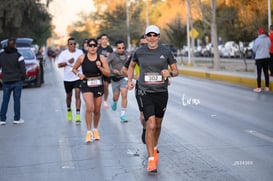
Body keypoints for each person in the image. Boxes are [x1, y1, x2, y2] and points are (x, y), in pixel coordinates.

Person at [127, 25, 178, 173]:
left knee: (158, 124)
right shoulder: (139, 52)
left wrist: (168, 73)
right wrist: (130, 81)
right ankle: (151, 159)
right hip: (145, 91)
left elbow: (176, 71)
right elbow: (131, 66)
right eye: (149, 35)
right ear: (145, 37)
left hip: (161, 92)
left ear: (158, 37)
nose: (152, 38)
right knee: (150, 124)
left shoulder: (166, 51)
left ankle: (154, 148)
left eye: (154, 35)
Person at [72, 38, 110, 143]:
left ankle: (95, 129)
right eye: (90, 45)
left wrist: (100, 67)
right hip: (86, 84)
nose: (92, 47)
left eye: (94, 45)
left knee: (97, 110)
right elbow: (74, 69)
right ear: (87, 47)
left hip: (98, 84)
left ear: (97, 47)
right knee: (90, 107)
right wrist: (79, 74)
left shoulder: (101, 58)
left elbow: (108, 73)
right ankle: (88, 132)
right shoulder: (82, 58)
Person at [122, 35, 147, 141]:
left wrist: (166, 78)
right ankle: (145, 130)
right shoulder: (136, 54)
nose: (145, 46)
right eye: (142, 44)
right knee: (143, 114)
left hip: (156, 87)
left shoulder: (158, 53)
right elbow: (124, 70)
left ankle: (152, 141)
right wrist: (133, 78)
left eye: (146, 44)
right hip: (141, 87)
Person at [0, 38, 26, 125]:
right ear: (15, 45)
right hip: (17, 81)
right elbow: (23, 69)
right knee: (17, 100)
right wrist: (22, 78)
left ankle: (2, 119)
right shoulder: (18, 56)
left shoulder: (2, 55)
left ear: (7, 45)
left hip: (6, 81)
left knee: (5, 100)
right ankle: (17, 118)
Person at [57, 37, 83, 123]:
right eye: (71, 44)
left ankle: (78, 114)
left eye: (74, 44)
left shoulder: (80, 52)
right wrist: (68, 62)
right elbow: (59, 65)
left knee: (77, 94)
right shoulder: (64, 54)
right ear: (68, 45)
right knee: (69, 96)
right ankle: (69, 110)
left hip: (77, 77)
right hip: (67, 79)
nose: (73, 45)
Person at [107, 40, 130, 122]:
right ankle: (114, 101)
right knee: (116, 96)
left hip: (124, 77)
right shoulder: (112, 55)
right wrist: (113, 71)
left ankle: (122, 115)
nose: (121, 50)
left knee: (124, 94)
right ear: (116, 48)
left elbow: (132, 63)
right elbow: (106, 65)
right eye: (119, 48)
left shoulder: (127, 54)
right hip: (115, 78)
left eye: (123, 48)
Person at [97, 34, 113, 109]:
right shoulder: (97, 49)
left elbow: (113, 59)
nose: (104, 40)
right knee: (100, 86)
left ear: (107, 40)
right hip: (99, 69)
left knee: (106, 85)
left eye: (105, 39)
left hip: (107, 70)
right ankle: (98, 98)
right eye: (103, 39)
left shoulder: (110, 49)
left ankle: (105, 100)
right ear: (101, 40)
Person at [253, 28, 271, 92]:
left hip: (259, 58)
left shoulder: (257, 40)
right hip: (266, 58)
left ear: (259, 33)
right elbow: (269, 46)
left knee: (259, 73)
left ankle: (259, 87)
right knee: (266, 73)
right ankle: (267, 87)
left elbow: (254, 49)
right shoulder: (268, 39)